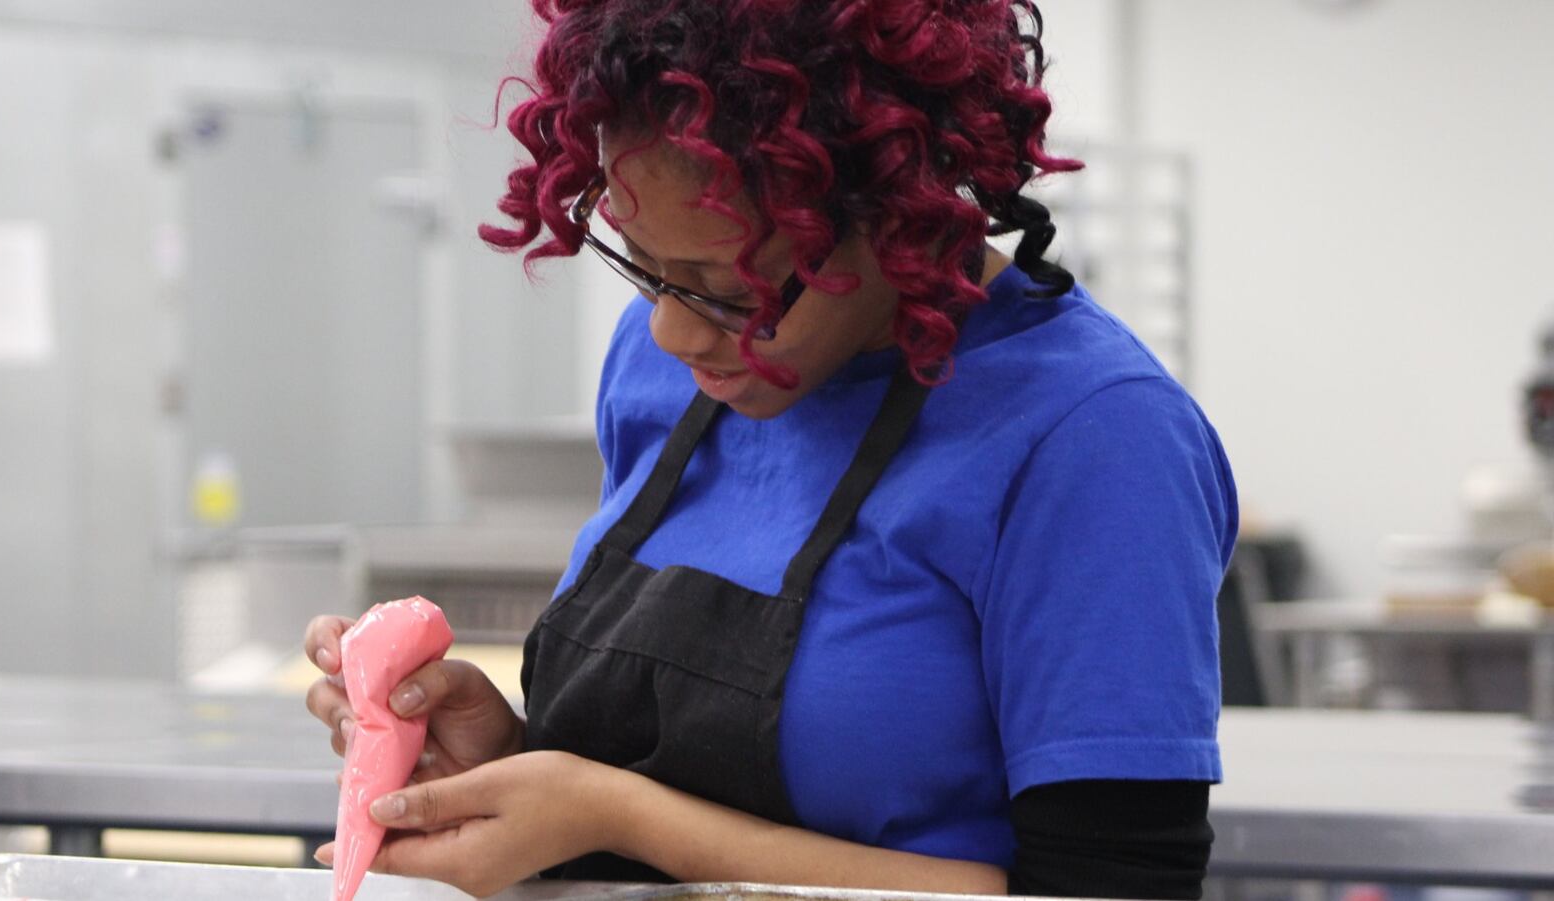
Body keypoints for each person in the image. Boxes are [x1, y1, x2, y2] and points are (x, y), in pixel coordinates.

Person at [304, 0, 1236, 897]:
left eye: (729, 286)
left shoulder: (1094, 437)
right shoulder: (664, 371)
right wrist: (505, 763)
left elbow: (1108, 892)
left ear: (898, 212)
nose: (669, 330)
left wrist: (619, 814)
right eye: (643, 265)